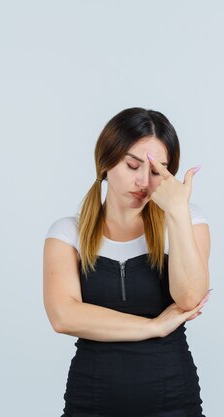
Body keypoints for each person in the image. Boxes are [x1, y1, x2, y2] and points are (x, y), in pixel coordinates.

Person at [43, 107, 212, 417]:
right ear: (107, 162)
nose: (144, 181)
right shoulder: (68, 233)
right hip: (90, 402)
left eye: (157, 171)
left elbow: (189, 298)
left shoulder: (188, 221)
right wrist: (154, 326)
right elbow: (64, 317)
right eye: (133, 165)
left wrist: (176, 212)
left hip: (173, 400)